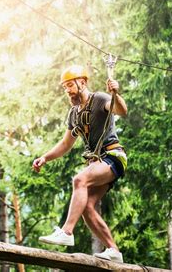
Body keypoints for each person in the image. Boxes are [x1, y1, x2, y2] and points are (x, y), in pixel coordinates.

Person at [32, 65, 128, 263]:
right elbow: (66, 143)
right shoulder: (74, 114)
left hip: (113, 156)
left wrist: (115, 93)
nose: (67, 90)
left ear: (82, 82)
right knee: (87, 207)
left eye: (70, 85)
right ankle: (114, 251)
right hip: (98, 161)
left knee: (79, 179)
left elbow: (121, 110)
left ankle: (67, 232)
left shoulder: (100, 99)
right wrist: (45, 157)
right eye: (65, 87)